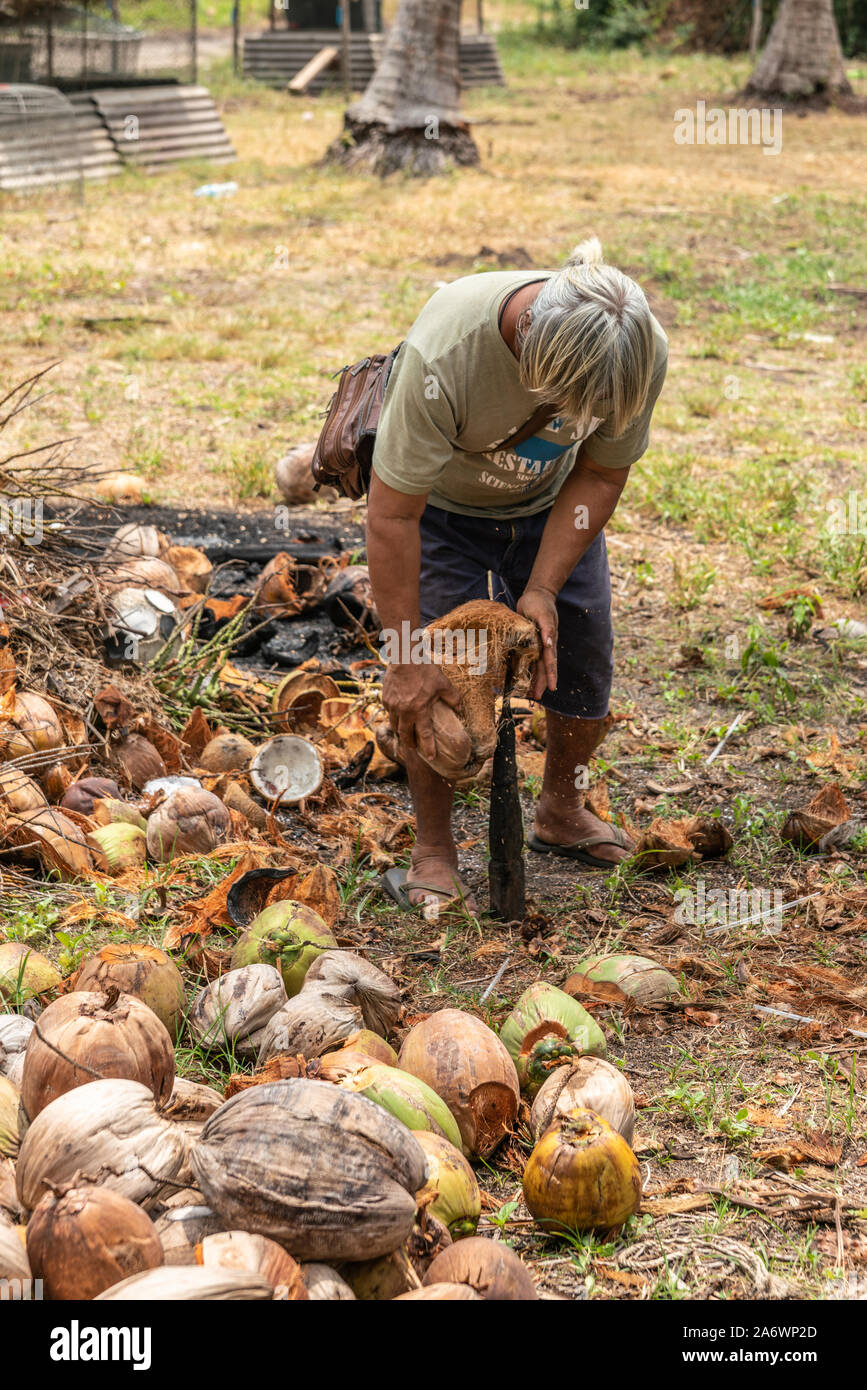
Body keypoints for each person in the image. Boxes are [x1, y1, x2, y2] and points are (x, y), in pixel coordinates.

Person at [367, 238, 668, 911]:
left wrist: (542, 587)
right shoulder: (445, 352)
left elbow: (600, 469)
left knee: (581, 660)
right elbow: (391, 517)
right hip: (438, 511)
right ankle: (434, 848)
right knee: (435, 680)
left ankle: (561, 810)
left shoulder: (637, 348)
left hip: (553, 506)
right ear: (529, 341)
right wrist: (403, 655)